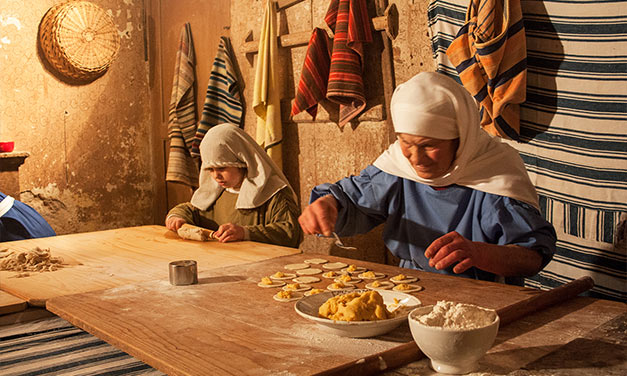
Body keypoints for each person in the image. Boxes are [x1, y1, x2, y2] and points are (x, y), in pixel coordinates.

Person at [298, 72, 556, 284]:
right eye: (406, 143)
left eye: (429, 145)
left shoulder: (494, 174)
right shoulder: (398, 168)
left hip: (484, 298)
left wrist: (478, 253)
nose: (415, 158)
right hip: (410, 288)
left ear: (461, 139)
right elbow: (353, 200)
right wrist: (328, 205)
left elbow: (531, 257)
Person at [165, 123, 302, 248]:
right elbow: (191, 209)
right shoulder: (216, 191)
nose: (215, 176)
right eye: (210, 169)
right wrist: (176, 217)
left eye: (222, 168)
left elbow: (290, 232)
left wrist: (245, 233)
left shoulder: (273, 192)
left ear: (243, 162)